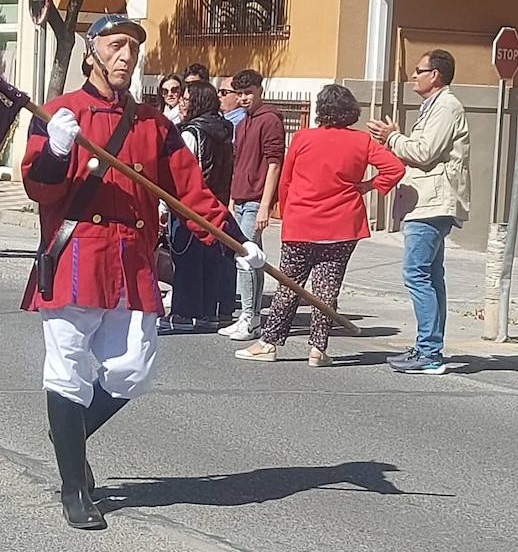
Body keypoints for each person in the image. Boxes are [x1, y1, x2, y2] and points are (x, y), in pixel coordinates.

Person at [22, 14, 263, 531]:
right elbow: (38, 189)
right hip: (75, 254)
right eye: (114, 45)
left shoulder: (154, 124)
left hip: (132, 258)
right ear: (92, 53)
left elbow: (190, 192)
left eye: (132, 47)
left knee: (133, 369)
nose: (125, 55)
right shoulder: (59, 114)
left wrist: (235, 242)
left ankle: (69, 435)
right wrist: (56, 150)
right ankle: (73, 486)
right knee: (66, 367)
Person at [237, 85, 405, 367]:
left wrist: (288, 212)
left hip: (303, 221)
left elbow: (286, 181)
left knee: (289, 285)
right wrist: (367, 185)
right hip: (342, 224)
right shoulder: (361, 141)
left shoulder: (303, 138)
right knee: (327, 289)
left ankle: (269, 343)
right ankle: (318, 348)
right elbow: (395, 169)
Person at [368, 49, 472, 376]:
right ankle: (429, 347)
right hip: (427, 201)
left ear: (435, 75)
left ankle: (429, 352)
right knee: (430, 275)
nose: (413, 76)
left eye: (418, 70)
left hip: (432, 203)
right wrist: (398, 138)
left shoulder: (447, 106)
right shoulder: (433, 107)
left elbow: (425, 153)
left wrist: (392, 138)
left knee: (416, 274)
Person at [159, 81, 236, 333]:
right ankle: (208, 313)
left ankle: (183, 313)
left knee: (186, 259)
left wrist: (164, 207)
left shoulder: (191, 133)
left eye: (187, 99)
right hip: (217, 202)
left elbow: (180, 174)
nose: (182, 103)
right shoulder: (224, 129)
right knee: (210, 260)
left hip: (191, 204)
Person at [217, 69, 285, 341]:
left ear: (260, 90)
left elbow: (274, 162)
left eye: (249, 93)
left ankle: (249, 316)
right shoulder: (243, 122)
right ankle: (251, 316)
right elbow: (237, 164)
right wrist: (232, 200)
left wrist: (265, 205)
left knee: (244, 257)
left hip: (256, 198)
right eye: (240, 93)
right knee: (253, 257)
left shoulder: (269, 120)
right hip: (241, 197)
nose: (244, 98)